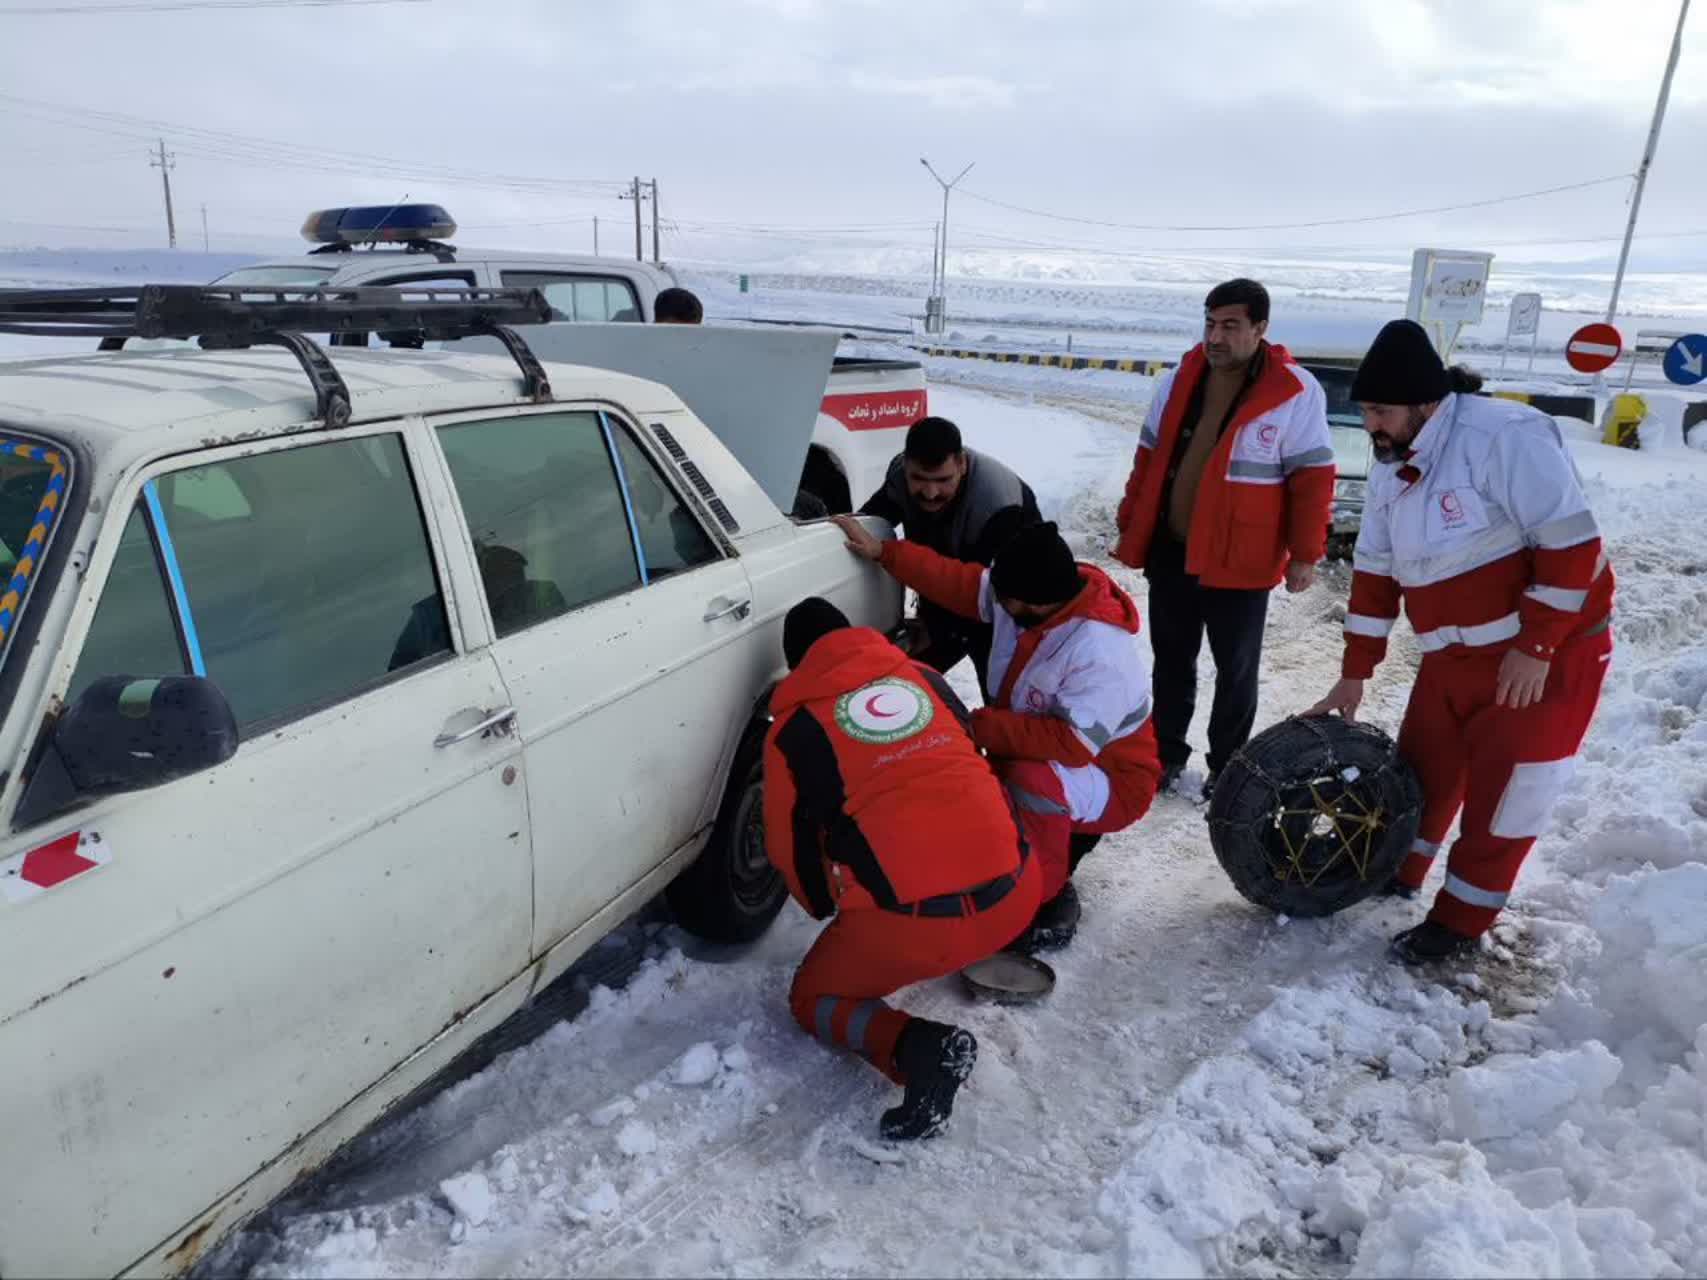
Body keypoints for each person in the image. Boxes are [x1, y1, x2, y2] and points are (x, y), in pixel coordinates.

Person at [1306, 319, 1615, 966]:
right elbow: (1374, 572)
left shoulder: (1504, 437)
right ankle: (1399, 869)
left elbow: (1571, 546)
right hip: (1450, 661)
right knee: (1421, 775)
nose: (1370, 427)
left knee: (1506, 796)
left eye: (1380, 412)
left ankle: (1460, 921)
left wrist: (1535, 648)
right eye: (1364, 412)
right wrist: (1354, 672)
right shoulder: (1393, 463)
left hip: (1543, 661)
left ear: (1426, 403)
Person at [764, 597, 1042, 1140]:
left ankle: (917, 1049)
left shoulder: (795, 729)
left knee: (812, 998)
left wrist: (826, 907)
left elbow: (788, 847)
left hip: (915, 931)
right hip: (1015, 895)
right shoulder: (925, 680)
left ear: (798, 665)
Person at [833, 516, 1159, 952]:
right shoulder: (1029, 596)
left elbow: (1072, 746)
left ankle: (1032, 900)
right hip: (1046, 751)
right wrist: (887, 554)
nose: (992, 602)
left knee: (1029, 781)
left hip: (1112, 777)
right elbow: (960, 583)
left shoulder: (1100, 651)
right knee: (995, 778)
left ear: (1036, 604)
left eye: (1001, 598)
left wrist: (979, 726)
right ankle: (1001, 862)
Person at [1114, 278, 1335, 800]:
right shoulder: (1178, 379)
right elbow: (1147, 459)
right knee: (1171, 660)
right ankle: (1164, 755)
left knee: (1236, 671)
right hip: (1174, 548)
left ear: (1260, 329)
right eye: (1210, 324)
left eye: (1230, 326)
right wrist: (1131, 521)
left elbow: (1312, 479)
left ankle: (1228, 767)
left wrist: (1306, 554)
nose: (1216, 337)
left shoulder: (1295, 391)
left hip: (1243, 557)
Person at [858, 416, 1041, 687]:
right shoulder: (899, 476)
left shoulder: (998, 506)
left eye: (943, 480)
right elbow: (869, 523)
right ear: (905, 463)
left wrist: (937, 628)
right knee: (902, 685)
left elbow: (985, 597)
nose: (931, 493)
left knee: (1000, 693)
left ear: (962, 464)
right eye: (919, 479)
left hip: (1003, 608)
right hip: (944, 585)